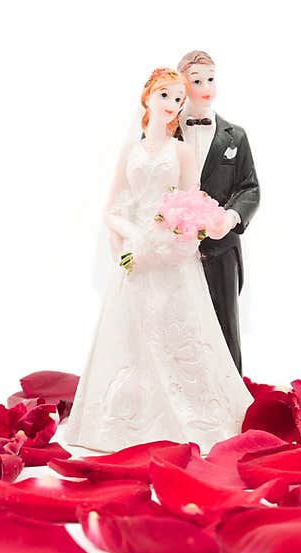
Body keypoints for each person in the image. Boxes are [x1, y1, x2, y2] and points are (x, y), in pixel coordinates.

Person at [63, 67, 254, 454]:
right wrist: (134, 236)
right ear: (147, 96)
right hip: (138, 256)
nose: (172, 105)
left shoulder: (181, 151)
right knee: (131, 335)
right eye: (165, 95)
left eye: (178, 99)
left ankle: (194, 415)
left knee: (181, 332)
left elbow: (190, 201)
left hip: (171, 255)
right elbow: (113, 207)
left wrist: (172, 235)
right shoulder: (129, 151)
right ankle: (129, 418)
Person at [176, 50, 260, 376]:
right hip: (175, 247)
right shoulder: (167, 133)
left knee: (224, 321)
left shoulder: (234, 136)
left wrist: (230, 217)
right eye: (197, 81)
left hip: (220, 247)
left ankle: (229, 393)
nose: (206, 87)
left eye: (210, 79)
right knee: (178, 321)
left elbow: (250, 187)